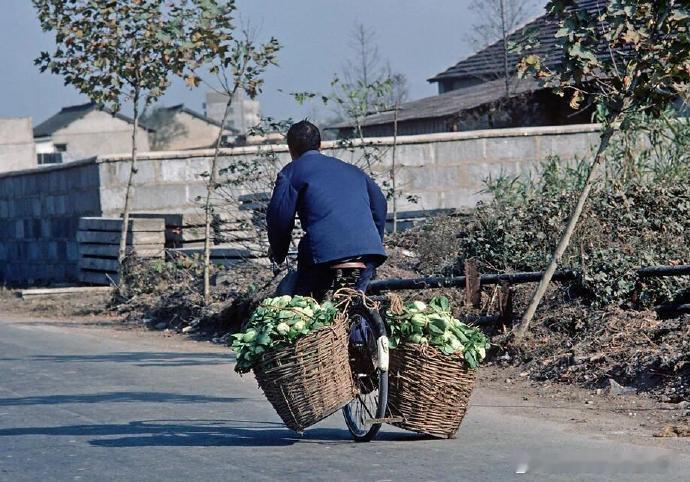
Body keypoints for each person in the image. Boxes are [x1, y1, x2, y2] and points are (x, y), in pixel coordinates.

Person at [266, 120, 387, 300]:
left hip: (323, 252)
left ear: (290, 149)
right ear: (320, 145)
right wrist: (373, 239)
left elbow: (279, 220)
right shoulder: (353, 170)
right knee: (359, 301)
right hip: (368, 251)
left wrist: (278, 252)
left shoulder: (290, 173)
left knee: (305, 302)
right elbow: (380, 205)